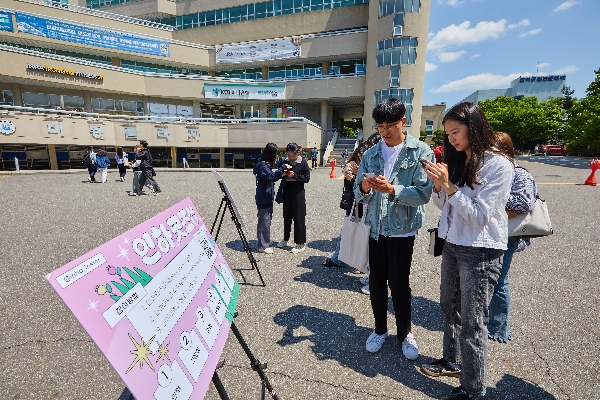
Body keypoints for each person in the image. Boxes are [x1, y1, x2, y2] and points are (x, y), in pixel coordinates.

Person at [420, 103, 514, 400]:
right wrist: (439, 187)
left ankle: (474, 389)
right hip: (452, 243)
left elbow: (478, 216)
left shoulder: (498, 164)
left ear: (474, 127)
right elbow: (446, 208)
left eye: (455, 132)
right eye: (447, 134)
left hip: (480, 249)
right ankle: (453, 361)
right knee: (449, 305)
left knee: (473, 322)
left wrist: (449, 188)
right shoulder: (461, 159)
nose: (451, 139)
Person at [354, 98, 434, 360]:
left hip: (402, 230)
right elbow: (358, 191)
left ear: (403, 122)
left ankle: (404, 333)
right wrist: (365, 188)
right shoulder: (370, 153)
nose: (385, 131)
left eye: (390, 125)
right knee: (376, 283)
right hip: (376, 228)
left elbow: (423, 193)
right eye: (380, 126)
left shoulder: (420, 151)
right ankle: (379, 329)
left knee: (400, 284)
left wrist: (392, 190)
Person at [488, 132, 537, 343]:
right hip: (490, 232)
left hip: (507, 235)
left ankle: (499, 328)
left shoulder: (519, 173)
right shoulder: (491, 171)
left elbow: (523, 203)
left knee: (499, 280)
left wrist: (492, 195)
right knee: (488, 279)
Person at [276, 142, 311, 253]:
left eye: (293, 156)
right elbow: (278, 172)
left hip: (298, 192)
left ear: (297, 153)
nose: (291, 158)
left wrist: (294, 175)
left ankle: (300, 243)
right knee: (286, 216)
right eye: (289, 156)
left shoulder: (303, 162)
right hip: (287, 190)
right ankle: (285, 239)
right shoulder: (285, 161)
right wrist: (283, 174)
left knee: (299, 216)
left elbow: (306, 178)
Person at [253, 143, 286, 254]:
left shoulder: (264, 163)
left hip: (266, 196)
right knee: (264, 221)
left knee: (265, 220)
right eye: (276, 154)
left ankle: (264, 240)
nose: (276, 157)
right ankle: (263, 245)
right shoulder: (262, 166)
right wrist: (283, 168)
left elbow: (275, 166)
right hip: (263, 197)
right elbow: (271, 177)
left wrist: (283, 162)